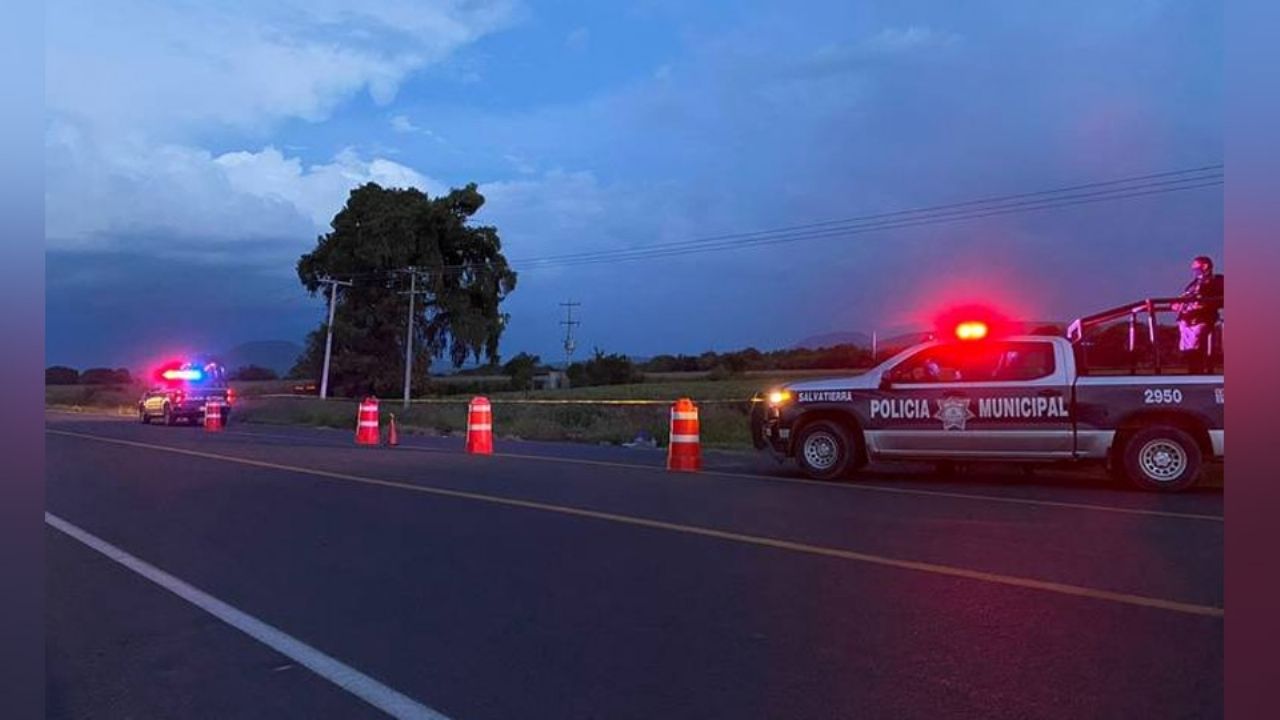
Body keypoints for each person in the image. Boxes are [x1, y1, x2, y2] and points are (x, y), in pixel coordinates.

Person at [1173, 255, 1224, 374]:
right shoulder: (1193, 284)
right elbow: (1184, 296)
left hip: (1202, 317)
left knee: (1196, 346)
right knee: (1188, 348)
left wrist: (1205, 304)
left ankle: (1197, 372)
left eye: (1195, 267)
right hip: (1186, 318)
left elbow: (1221, 299)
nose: (1193, 269)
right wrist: (1175, 304)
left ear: (1205, 266)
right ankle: (1193, 371)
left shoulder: (1217, 280)